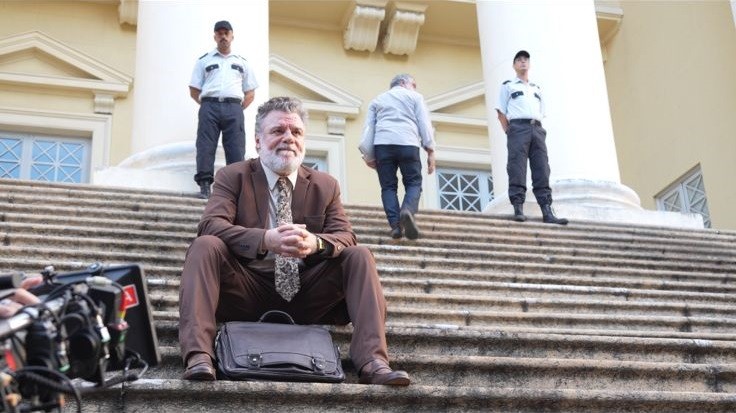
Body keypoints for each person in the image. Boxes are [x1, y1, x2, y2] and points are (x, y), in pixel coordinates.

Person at [178, 96, 410, 386]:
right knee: (205, 245)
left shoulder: (326, 185)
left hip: (307, 294)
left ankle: (373, 362)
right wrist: (265, 239)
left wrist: (316, 244)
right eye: (278, 130)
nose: (288, 138)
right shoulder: (232, 176)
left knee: (359, 255)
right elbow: (211, 225)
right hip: (245, 290)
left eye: (296, 132)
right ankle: (199, 356)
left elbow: (346, 236)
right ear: (258, 141)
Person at [359, 74, 436, 240]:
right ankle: (407, 210)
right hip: (408, 143)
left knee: (388, 187)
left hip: (382, 145)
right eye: (413, 85)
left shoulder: (377, 100)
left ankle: (395, 226)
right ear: (403, 83)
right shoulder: (415, 97)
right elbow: (424, 123)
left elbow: (368, 128)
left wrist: (368, 155)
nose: (415, 88)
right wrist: (430, 150)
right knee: (414, 183)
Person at [495, 50, 568, 225]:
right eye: (519, 60)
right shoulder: (508, 86)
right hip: (517, 128)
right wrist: (509, 131)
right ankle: (518, 208)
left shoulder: (536, 88)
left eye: (525, 60)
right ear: (514, 65)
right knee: (517, 167)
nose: (523, 62)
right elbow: (501, 112)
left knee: (542, 168)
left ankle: (547, 211)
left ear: (529, 64)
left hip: (536, 128)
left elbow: (542, 111)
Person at [189, 20, 259, 199]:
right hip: (209, 106)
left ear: (232, 36)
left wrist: (237, 108)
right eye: (219, 33)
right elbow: (194, 89)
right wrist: (207, 105)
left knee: (236, 148)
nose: (223, 37)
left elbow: (250, 92)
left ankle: (235, 190)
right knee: (205, 145)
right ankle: (205, 186)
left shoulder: (242, 62)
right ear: (215, 37)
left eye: (226, 33)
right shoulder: (204, 61)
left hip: (234, 107)